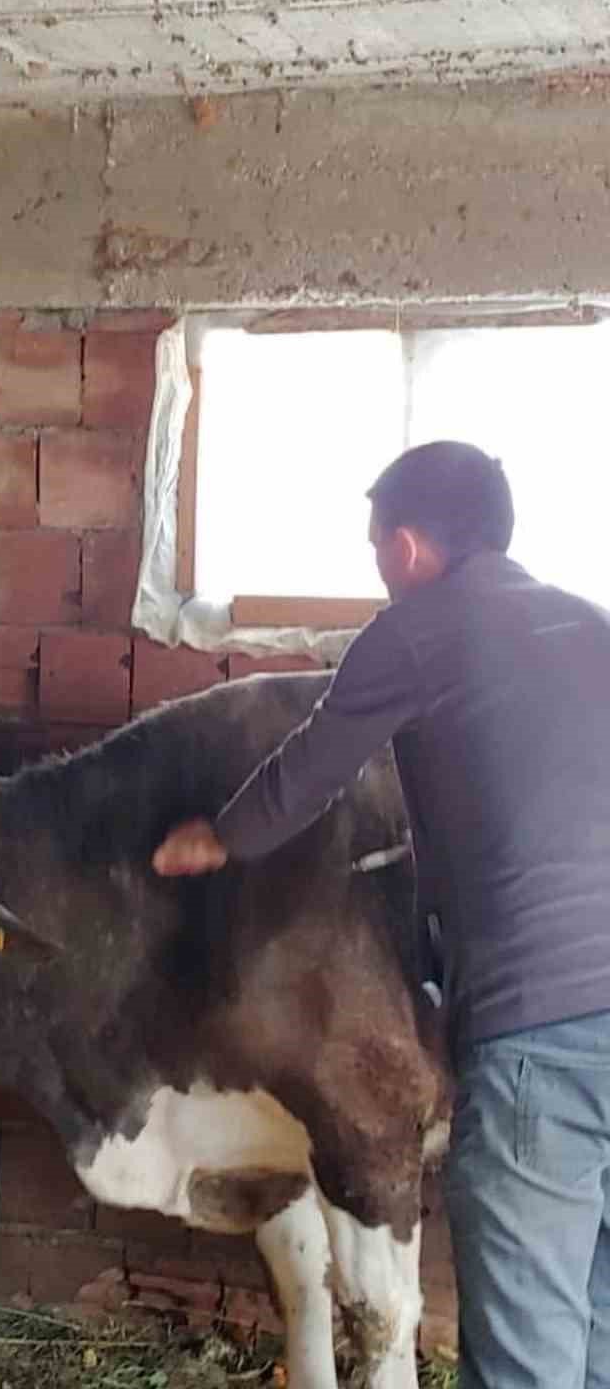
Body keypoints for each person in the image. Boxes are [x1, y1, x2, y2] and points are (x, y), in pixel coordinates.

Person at [152, 441, 610, 1389]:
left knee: (529, 1351)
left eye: (373, 550)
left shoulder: (419, 629)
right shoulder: (588, 625)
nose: (377, 569)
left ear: (406, 547)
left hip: (547, 1039)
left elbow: (312, 769)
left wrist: (219, 840)